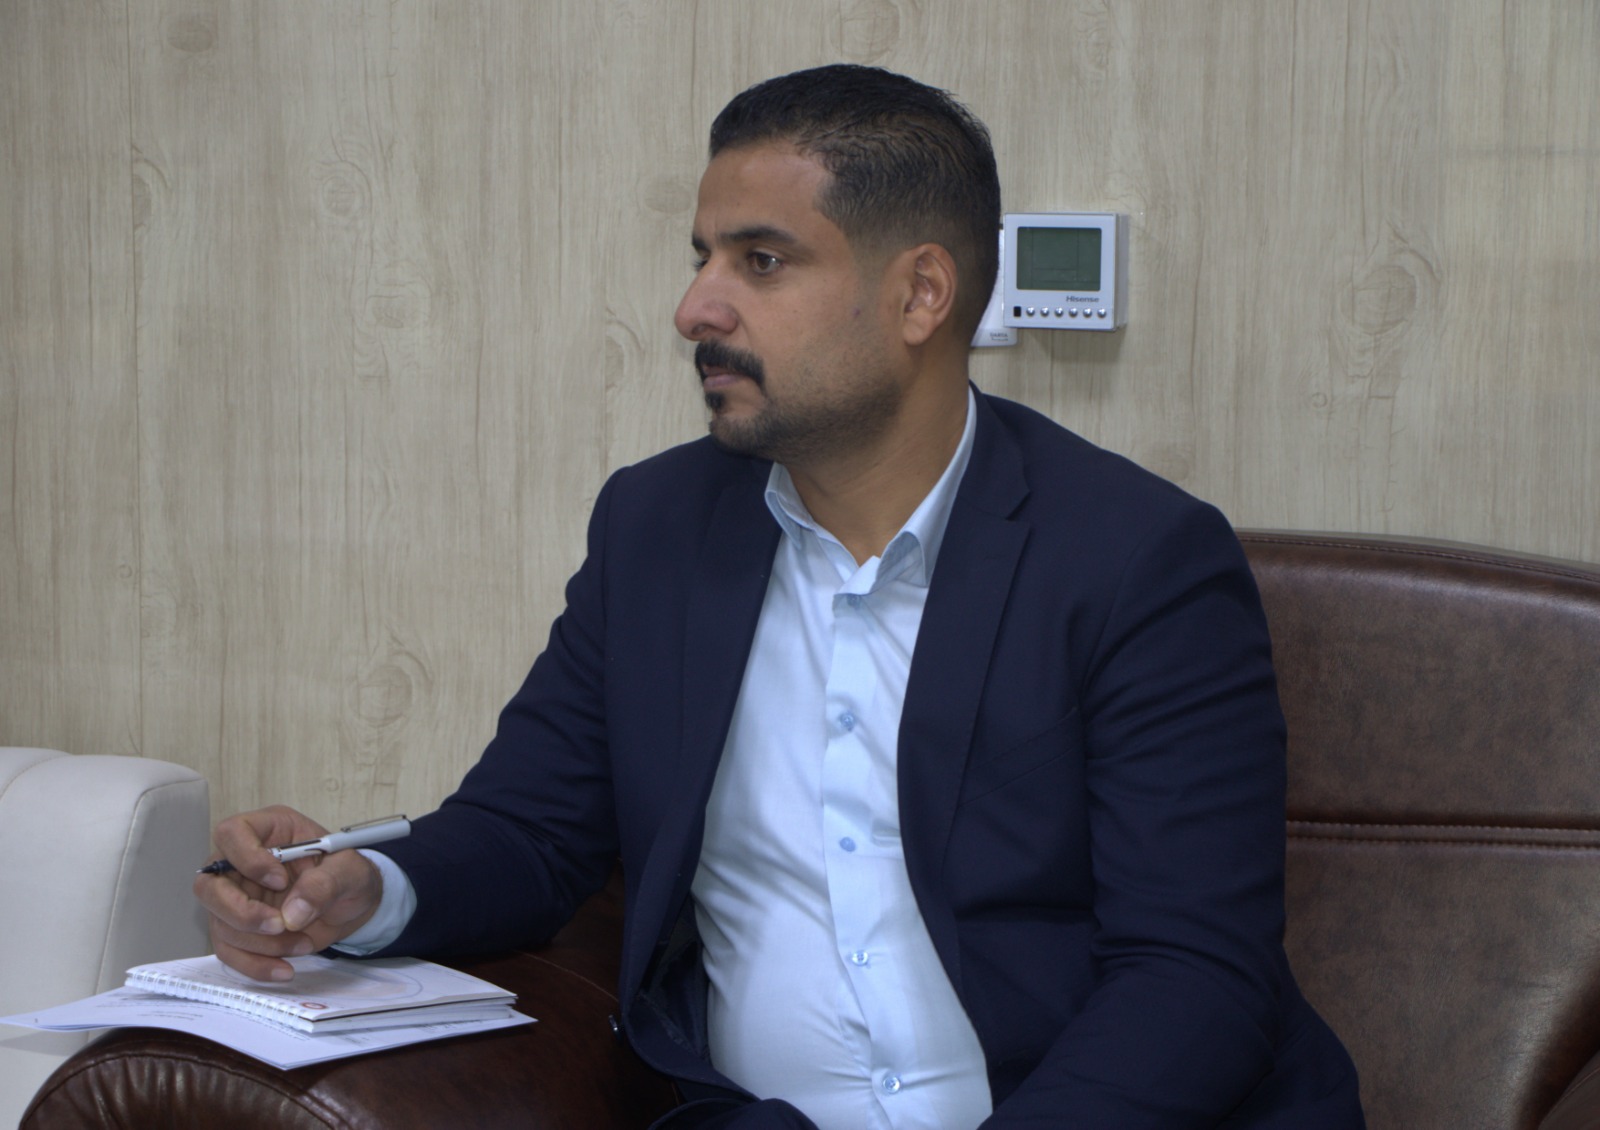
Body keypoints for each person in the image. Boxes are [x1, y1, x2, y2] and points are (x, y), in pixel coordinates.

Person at [197, 64, 1364, 1128]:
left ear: (919, 295)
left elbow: (1192, 975)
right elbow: (531, 827)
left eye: (760, 261)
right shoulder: (656, 530)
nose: (696, 309)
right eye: (701, 256)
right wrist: (363, 888)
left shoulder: (1134, 557)